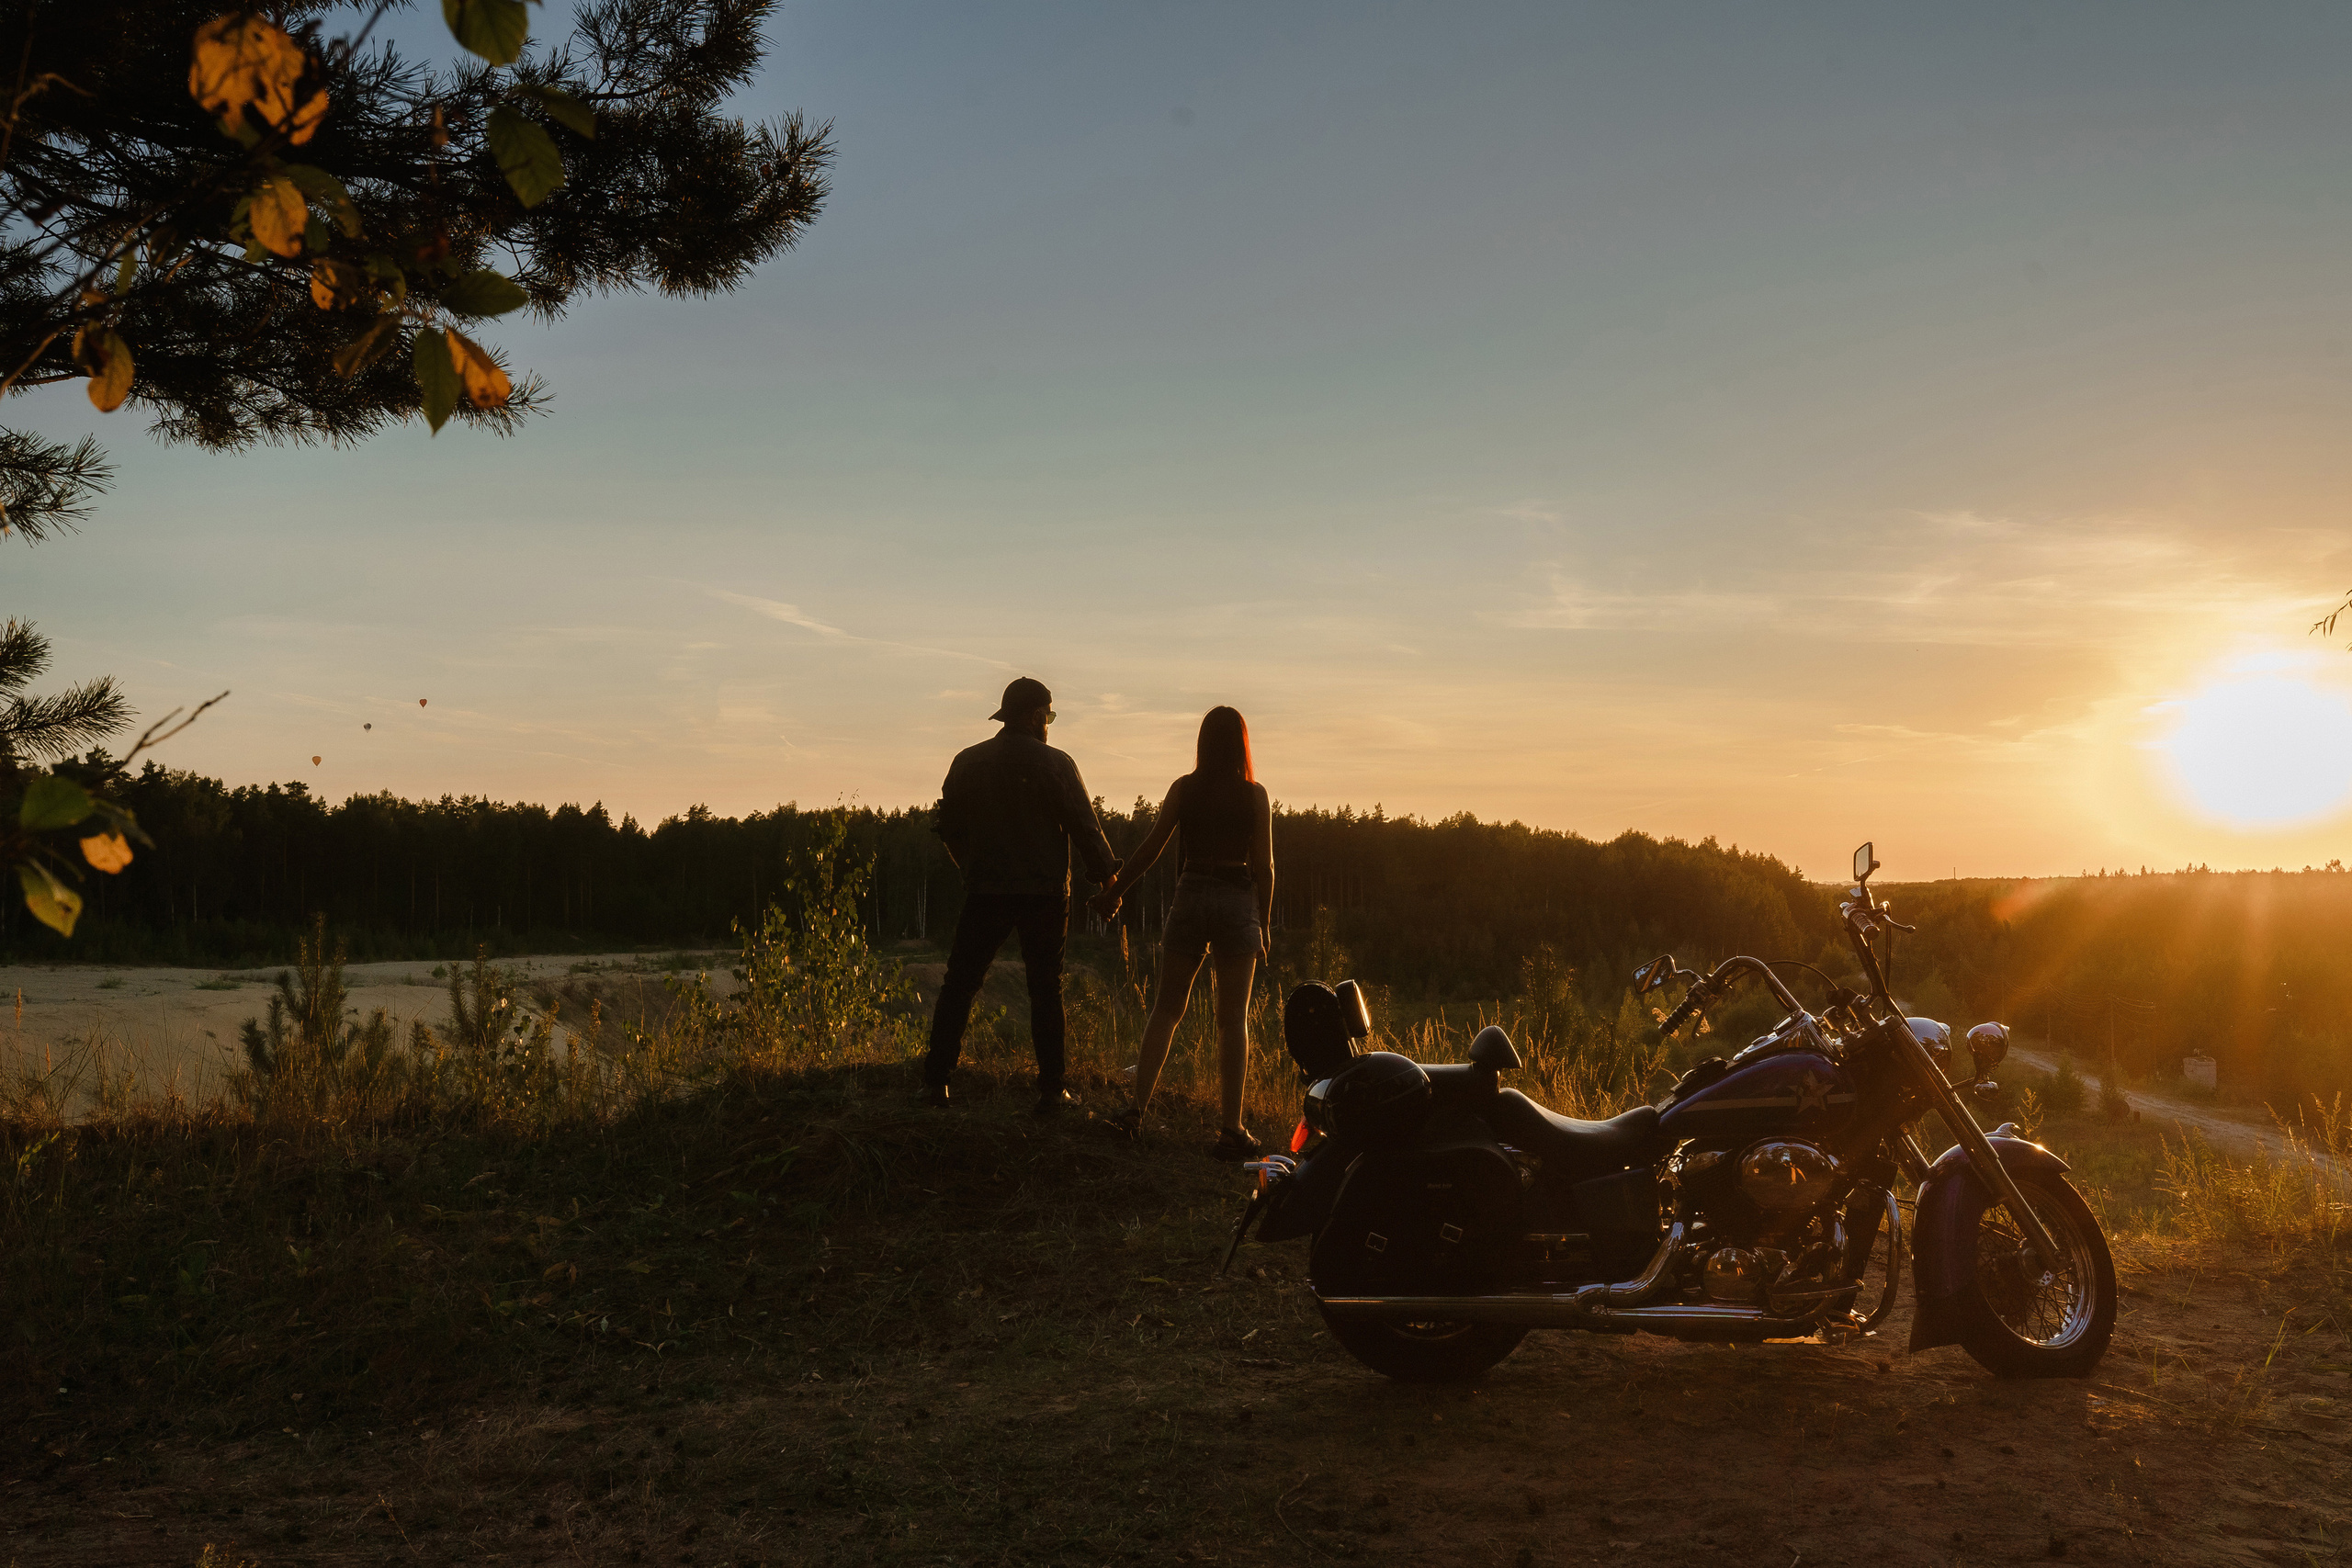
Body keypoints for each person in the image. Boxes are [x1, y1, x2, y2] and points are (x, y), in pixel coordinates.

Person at [922, 676, 1121, 1113]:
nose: (1049, 723)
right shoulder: (1056, 764)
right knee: (1046, 988)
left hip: (986, 890)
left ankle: (936, 1084)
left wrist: (969, 869)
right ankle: (1052, 1091)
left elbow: (949, 829)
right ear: (1034, 716)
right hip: (1045, 893)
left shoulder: (967, 762)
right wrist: (1108, 882)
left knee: (959, 984)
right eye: (1048, 716)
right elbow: (1086, 827)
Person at [1090, 705, 1274, 1159]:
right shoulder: (1255, 796)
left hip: (1191, 893)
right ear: (1242, 743)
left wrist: (1116, 892)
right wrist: (1264, 923)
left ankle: (1135, 1111)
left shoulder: (1184, 789)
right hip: (1236, 899)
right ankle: (1231, 1130)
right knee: (1233, 1019)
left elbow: (1152, 848)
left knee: (1167, 1008)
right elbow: (1266, 867)